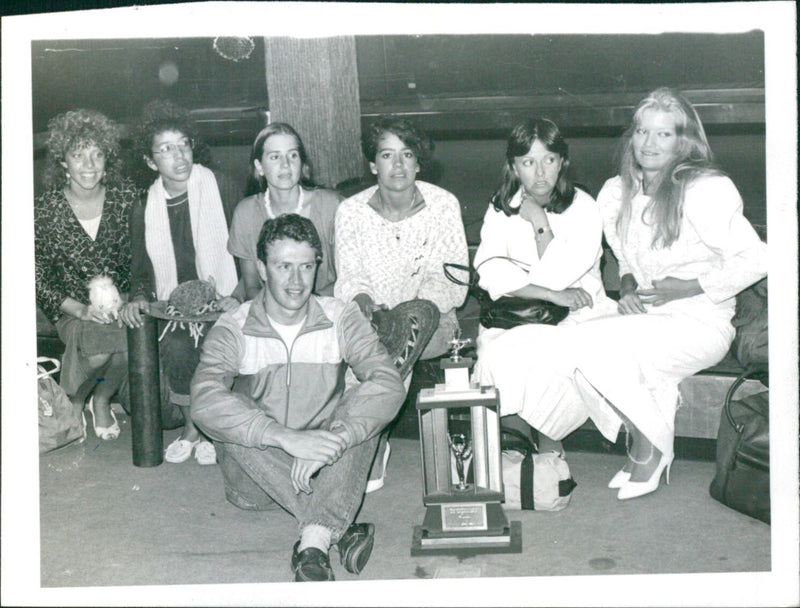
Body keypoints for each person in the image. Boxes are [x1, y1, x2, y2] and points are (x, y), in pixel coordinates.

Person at [551, 88, 766, 500]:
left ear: (683, 141)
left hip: (700, 321)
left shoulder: (704, 189)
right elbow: (626, 257)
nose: (649, 144)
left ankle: (650, 447)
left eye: (663, 135)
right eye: (642, 132)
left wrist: (690, 286)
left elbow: (757, 258)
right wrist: (629, 283)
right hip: (647, 316)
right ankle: (645, 443)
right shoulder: (617, 191)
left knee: (591, 345)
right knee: (572, 342)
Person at [190, 214, 405, 582]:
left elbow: (387, 383)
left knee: (361, 410)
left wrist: (337, 437)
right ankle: (337, 521)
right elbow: (205, 399)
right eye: (283, 266)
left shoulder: (340, 316)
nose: (296, 281)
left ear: (317, 266)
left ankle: (315, 541)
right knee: (232, 414)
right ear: (261, 268)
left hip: (325, 463)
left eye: (306, 266)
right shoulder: (234, 326)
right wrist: (285, 438)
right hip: (257, 480)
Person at [471, 118, 617, 453]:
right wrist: (550, 294)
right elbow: (489, 272)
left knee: (542, 358)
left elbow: (557, 271)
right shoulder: (501, 205)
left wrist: (538, 220)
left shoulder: (583, 207)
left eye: (548, 160)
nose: (539, 174)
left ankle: (547, 447)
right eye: (528, 162)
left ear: (562, 162)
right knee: (494, 353)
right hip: (515, 315)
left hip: (576, 315)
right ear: (513, 165)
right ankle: (515, 446)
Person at [119, 100, 244, 465]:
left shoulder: (220, 185)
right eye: (166, 149)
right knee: (176, 343)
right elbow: (141, 269)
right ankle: (196, 425)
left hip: (221, 295)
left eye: (184, 144)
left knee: (215, 340)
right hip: (174, 304)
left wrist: (237, 295)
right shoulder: (144, 205)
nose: (179, 155)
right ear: (150, 161)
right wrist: (138, 297)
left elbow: (242, 252)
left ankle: (200, 430)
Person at [35, 109, 138, 440]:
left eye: (97, 154)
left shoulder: (127, 198)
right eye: (78, 155)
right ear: (63, 162)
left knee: (129, 340)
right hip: (71, 308)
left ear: (107, 159)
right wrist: (79, 309)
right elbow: (35, 277)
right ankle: (77, 401)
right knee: (97, 347)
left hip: (122, 304)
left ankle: (103, 400)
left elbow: (142, 258)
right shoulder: (44, 210)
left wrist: (130, 301)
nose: (89, 165)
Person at [334, 115, 469, 361]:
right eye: (387, 155)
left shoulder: (443, 205)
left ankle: (382, 389)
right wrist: (365, 304)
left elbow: (453, 281)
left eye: (407, 155)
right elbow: (350, 278)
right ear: (373, 165)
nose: (398, 165)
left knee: (391, 351)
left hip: (433, 322)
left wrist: (405, 318)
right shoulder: (350, 212)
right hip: (372, 323)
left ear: (418, 163)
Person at [227, 122, 342, 300]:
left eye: (293, 155)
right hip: (268, 313)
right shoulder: (245, 213)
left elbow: (349, 278)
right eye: (275, 157)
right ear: (259, 167)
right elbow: (251, 286)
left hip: (326, 306)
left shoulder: (332, 206)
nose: (286, 165)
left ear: (301, 162)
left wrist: (305, 307)